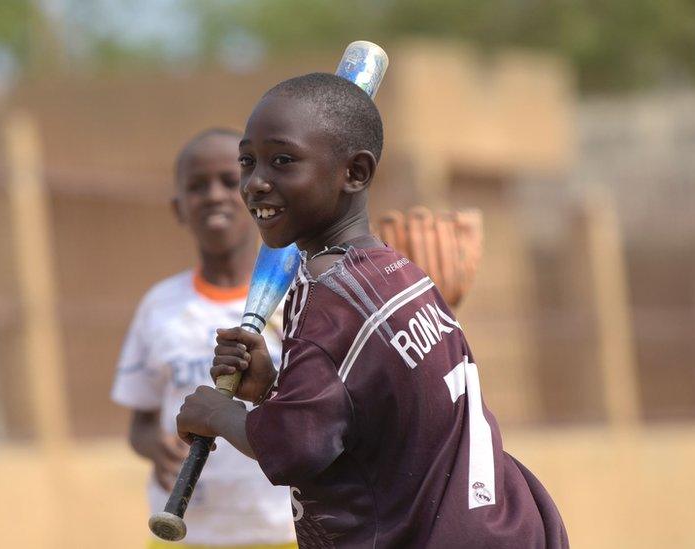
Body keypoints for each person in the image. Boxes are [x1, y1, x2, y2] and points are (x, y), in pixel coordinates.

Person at [176, 74, 569, 548]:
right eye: (248, 161)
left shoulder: (331, 301)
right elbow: (366, 411)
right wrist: (274, 389)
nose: (256, 182)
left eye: (283, 160)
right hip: (506, 526)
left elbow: (294, 447)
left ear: (355, 173)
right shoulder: (398, 271)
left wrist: (217, 413)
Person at [111, 128, 297, 549]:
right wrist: (154, 449)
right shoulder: (159, 306)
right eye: (197, 186)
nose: (214, 195)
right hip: (184, 532)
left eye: (230, 181)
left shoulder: (298, 295)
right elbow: (140, 423)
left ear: (255, 194)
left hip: (283, 530)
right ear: (179, 208)